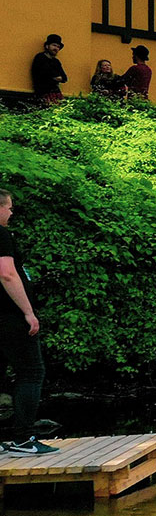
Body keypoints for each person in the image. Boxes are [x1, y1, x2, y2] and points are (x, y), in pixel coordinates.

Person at [0, 190, 57, 456]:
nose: (11, 213)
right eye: (9, 207)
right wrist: (27, 312)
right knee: (31, 372)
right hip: (9, 317)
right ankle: (22, 440)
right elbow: (7, 274)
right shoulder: (1, 235)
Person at [28, 35, 66, 105]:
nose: (56, 48)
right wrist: (55, 77)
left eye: (58, 47)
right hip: (43, 92)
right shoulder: (40, 58)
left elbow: (64, 78)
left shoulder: (56, 62)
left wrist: (54, 77)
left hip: (56, 92)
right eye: (54, 45)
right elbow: (42, 74)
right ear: (47, 46)